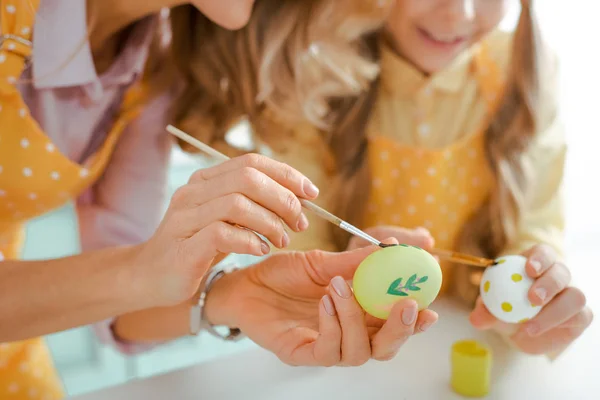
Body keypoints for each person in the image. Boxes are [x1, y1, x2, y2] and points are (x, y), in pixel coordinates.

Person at [0, 0, 437, 398]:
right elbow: (131, 275)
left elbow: (119, 308)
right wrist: (143, 268)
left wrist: (235, 297)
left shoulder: (152, 64)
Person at [169, 0, 593, 360]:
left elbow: (535, 226)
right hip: (341, 361)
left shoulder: (520, 72)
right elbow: (297, 248)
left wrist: (532, 306)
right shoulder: (312, 80)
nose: (460, 14)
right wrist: (346, 277)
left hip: (466, 344)